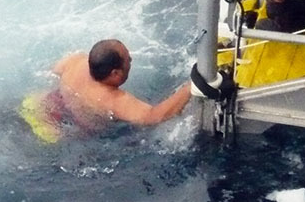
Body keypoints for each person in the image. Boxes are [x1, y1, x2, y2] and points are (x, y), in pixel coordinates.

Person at [18, 39, 192, 142]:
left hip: (38, 105)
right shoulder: (113, 99)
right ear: (115, 73)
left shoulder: (75, 61)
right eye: (128, 60)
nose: (131, 60)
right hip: (56, 133)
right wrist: (191, 88)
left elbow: (52, 73)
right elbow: (154, 116)